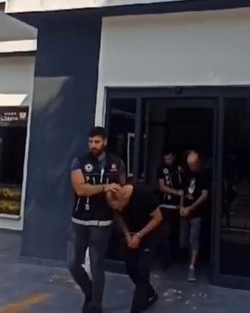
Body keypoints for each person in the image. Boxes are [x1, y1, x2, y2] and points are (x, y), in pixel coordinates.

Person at [68, 126, 126, 313]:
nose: (93, 145)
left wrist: (117, 199)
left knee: (96, 265)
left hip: (102, 223)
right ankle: (90, 293)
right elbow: (80, 189)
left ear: (105, 142)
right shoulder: (79, 161)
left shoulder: (117, 163)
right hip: (79, 221)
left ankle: (95, 305)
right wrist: (105, 187)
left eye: (97, 142)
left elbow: (122, 189)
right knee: (73, 263)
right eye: (90, 142)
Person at [107, 183, 163, 313]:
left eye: (120, 206)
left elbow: (158, 217)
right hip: (132, 233)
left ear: (125, 197)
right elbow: (118, 216)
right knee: (131, 268)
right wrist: (127, 233)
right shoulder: (117, 204)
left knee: (143, 271)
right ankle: (150, 293)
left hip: (149, 233)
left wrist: (139, 235)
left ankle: (136, 309)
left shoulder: (144, 195)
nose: (120, 209)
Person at [179, 150, 209, 282]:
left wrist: (191, 208)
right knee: (183, 240)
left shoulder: (204, 175)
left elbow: (204, 195)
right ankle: (189, 258)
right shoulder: (186, 173)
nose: (191, 167)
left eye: (193, 165)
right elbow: (182, 191)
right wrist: (181, 206)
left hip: (196, 213)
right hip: (184, 211)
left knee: (194, 239)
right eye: (189, 165)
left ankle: (192, 266)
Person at [155, 149, 182, 269]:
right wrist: (176, 192)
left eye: (169, 158)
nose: (168, 161)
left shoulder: (178, 169)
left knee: (175, 233)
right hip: (165, 205)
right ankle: (164, 261)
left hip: (177, 206)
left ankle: (175, 257)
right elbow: (162, 187)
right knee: (165, 233)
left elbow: (183, 186)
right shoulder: (161, 169)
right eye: (166, 159)